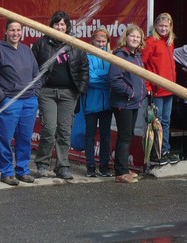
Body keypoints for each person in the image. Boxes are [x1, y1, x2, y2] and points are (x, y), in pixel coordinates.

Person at [31, 10, 89, 179]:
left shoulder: (76, 45)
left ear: (67, 26)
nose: (60, 27)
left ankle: (62, 165)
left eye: (63, 24)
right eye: (57, 24)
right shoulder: (41, 44)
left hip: (68, 93)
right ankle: (42, 163)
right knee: (49, 128)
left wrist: (80, 90)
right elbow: (33, 68)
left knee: (64, 131)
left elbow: (84, 69)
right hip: (47, 92)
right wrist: (36, 89)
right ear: (51, 25)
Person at [0, 20, 40, 186]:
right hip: (8, 101)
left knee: (24, 138)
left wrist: (35, 94)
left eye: (18, 30)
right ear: (5, 31)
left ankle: (22, 170)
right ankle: (6, 172)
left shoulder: (26, 50)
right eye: (12, 30)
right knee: (4, 139)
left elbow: (36, 74)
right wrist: (1, 97)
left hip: (29, 102)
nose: (15, 33)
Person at [108, 24, 147, 184]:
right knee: (124, 136)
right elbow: (114, 79)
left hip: (133, 103)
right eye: (132, 36)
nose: (135, 39)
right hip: (123, 103)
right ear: (126, 37)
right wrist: (131, 93)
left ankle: (123, 167)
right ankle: (121, 173)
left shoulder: (136, 56)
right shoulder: (120, 55)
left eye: (138, 37)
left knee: (128, 135)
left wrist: (141, 93)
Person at [142, 12, 177, 166]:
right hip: (156, 91)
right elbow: (141, 65)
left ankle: (165, 150)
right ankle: (157, 153)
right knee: (157, 122)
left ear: (170, 27)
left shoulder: (169, 42)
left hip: (169, 90)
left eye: (166, 26)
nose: (163, 28)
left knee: (166, 121)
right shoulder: (150, 42)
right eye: (161, 26)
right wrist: (148, 86)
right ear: (155, 26)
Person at [80, 27, 113, 178]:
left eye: (103, 41)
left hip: (107, 104)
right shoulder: (87, 55)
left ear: (107, 42)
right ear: (92, 41)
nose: (100, 44)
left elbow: (114, 78)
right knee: (90, 136)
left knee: (106, 136)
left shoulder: (111, 56)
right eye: (98, 41)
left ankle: (104, 167)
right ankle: (90, 166)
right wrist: (106, 79)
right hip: (91, 103)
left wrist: (104, 78)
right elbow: (90, 79)